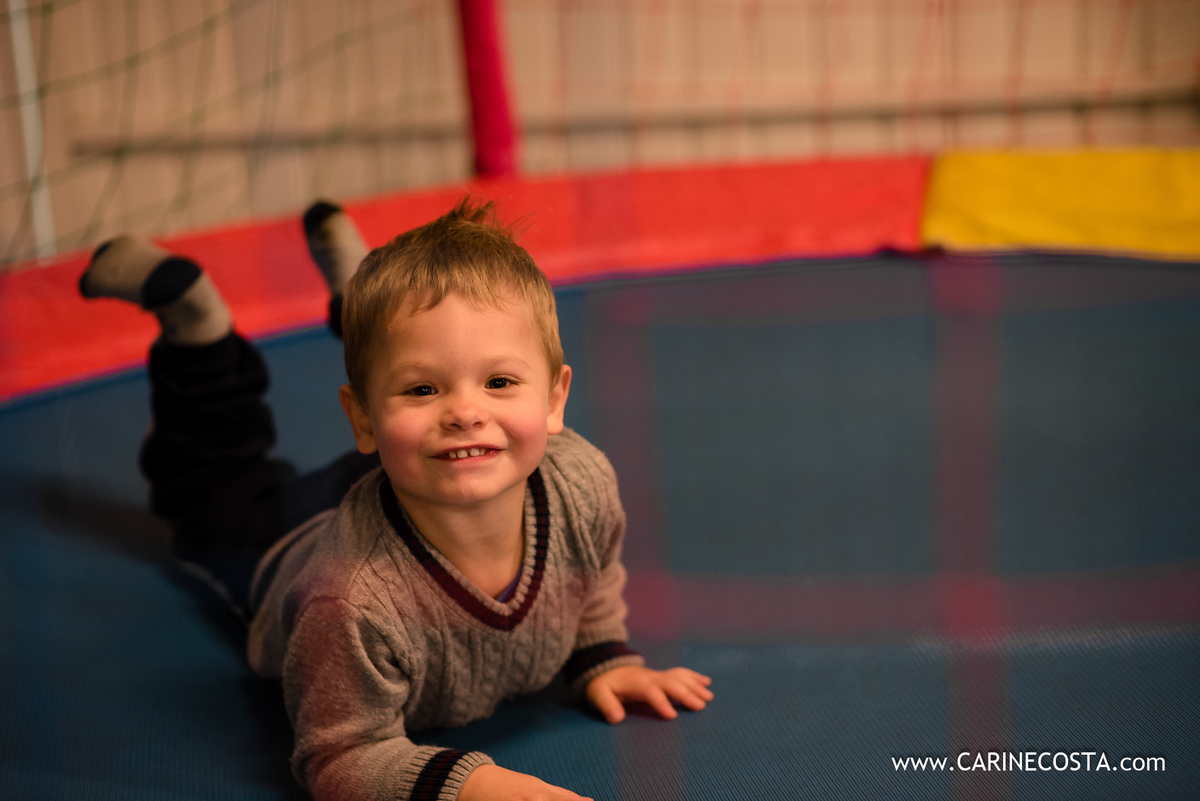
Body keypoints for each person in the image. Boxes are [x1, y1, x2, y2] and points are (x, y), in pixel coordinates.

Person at [79, 198, 713, 801]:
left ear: (553, 400)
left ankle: (372, 310)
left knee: (404, 347)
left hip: (413, 475)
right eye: (422, 389)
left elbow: (591, 572)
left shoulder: (580, 480)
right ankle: (197, 325)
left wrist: (602, 655)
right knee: (210, 492)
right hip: (287, 539)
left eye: (499, 381)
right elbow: (340, 758)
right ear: (360, 421)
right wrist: (469, 785)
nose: (467, 412)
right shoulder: (349, 600)